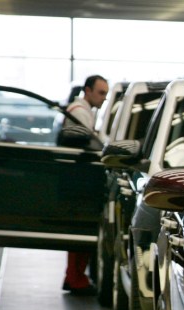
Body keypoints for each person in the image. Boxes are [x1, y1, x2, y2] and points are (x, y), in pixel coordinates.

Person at [61, 74, 108, 296]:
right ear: (87, 91)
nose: (104, 98)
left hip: (75, 176)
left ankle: (73, 276)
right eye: (101, 93)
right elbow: (85, 142)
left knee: (79, 230)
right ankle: (75, 278)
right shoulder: (80, 111)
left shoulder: (83, 110)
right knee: (81, 230)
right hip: (79, 177)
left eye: (105, 94)